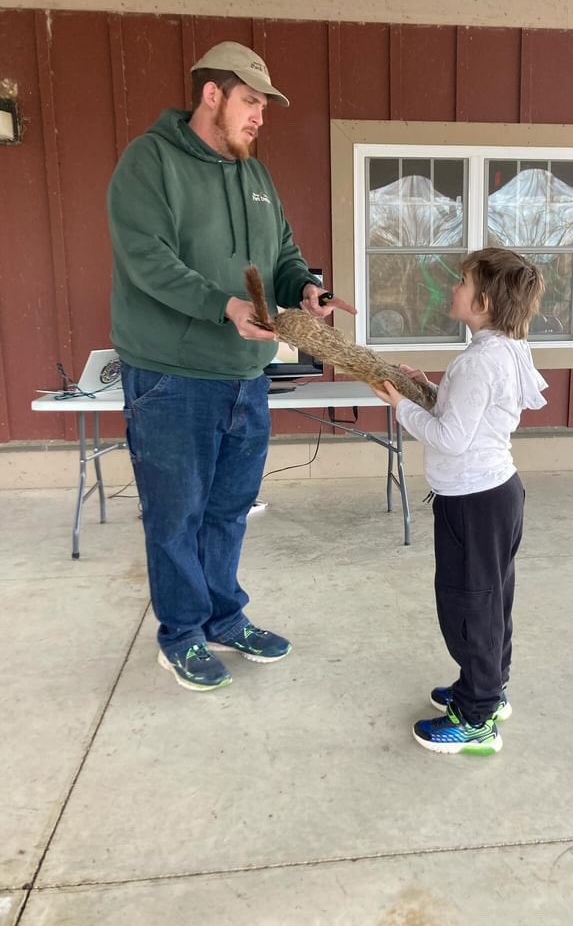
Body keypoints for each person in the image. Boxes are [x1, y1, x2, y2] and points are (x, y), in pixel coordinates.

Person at [108, 41, 354, 692]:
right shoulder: (149, 162)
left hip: (244, 374)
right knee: (176, 513)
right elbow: (146, 258)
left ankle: (223, 616)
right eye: (250, 101)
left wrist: (305, 287)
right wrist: (222, 305)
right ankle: (181, 634)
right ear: (211, 95)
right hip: (171, 375)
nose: (260, 116)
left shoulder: (255, 175)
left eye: (264, 106)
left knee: (229, 509)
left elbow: (283, 254)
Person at [373, 248, 547, 754]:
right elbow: (475, 416)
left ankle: (476, 719)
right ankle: (488, 688)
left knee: (468, 605)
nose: (453, 288)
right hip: (495, 495)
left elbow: (449, 438)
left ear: (484, 301)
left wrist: (401, 405)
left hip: (472, 502)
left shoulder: (478, 361)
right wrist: (427, 388)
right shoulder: (507, 348)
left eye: (462, 282)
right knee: (491, 601)